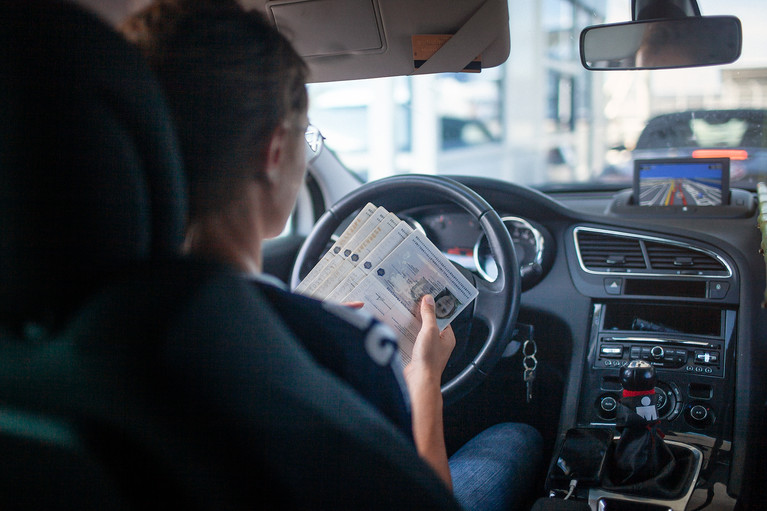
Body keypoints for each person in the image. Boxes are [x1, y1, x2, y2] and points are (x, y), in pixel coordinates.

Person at [121, 1, 541, 509]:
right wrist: (424, 379)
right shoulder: (339, 347)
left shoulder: (62, 323)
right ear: (273, 152)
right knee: (517, 437)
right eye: (308, 137)